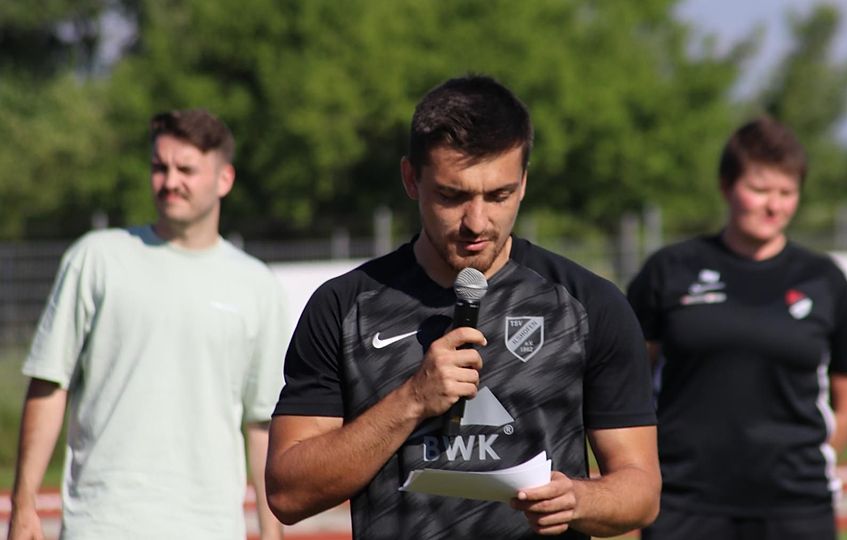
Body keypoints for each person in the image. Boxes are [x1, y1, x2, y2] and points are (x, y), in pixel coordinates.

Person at [265, 75, 661, 539]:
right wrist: (412, 400)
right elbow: (288, 493)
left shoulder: (588, 304)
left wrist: (579, 499)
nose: (477, 221)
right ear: (411, 179)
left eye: (499, 195)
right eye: (452, 196)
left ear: (524, 182)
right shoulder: (344, 307)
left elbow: (642, 491)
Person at [7, 109, 288, 540]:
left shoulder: (257, 285)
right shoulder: (96, 258)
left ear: (224, 179)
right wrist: (23, 503)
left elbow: (262, 423)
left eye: (186, 170)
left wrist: (272, 531)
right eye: (159, 167)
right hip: (101, 525)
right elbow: (49, 383)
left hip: (210, 528)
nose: (169, 181)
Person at [626, 116, 847, 540]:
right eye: (759, 190)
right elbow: (629, 382)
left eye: (787, 193)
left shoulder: (824, 279)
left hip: (797, 504)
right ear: (726, 186)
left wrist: (816, 458)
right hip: (683, 501)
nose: (774, 206)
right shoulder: (671, 269)